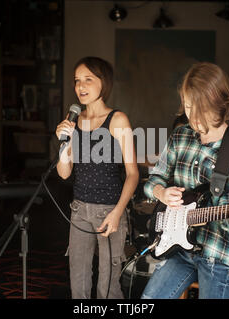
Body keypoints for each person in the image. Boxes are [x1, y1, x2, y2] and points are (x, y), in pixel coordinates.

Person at [141, 62, 229, 299]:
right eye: (187, 106)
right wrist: (160, 192)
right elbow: (152, 180)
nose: (192, 116)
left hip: (217, 253)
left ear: (220, 103)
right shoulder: (180, 136)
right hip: (178, 249)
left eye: (200, 108)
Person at [55, 56, 139, 299]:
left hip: (110, 212)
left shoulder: (117, 120)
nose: (80, 86)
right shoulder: (74, 122)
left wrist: (117, 213)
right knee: (78, 286)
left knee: (108, 288)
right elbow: (64, 173)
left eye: (88, 80)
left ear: (104, 83)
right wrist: (63, 144)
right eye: (77, 81)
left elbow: (133, 174)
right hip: (79, 210)